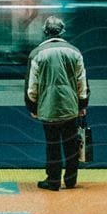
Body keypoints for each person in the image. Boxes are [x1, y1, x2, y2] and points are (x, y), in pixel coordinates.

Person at [25, 15, 88, 190]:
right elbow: (81, 83)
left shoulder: (36, 54)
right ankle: (70, 180)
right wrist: (82, 105)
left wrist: (32, 106)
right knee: (71, 145)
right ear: (62, 32)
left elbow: (32, 86)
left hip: (48, 107)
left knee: (52, 145)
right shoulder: (75, 52)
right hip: (70, 107)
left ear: (45, 32)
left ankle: (53, 181)